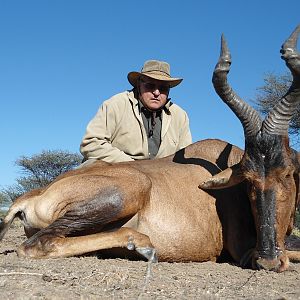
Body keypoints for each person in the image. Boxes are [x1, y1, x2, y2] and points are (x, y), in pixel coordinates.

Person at [80, 60, 192, 164]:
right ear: (139, 85)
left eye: (163, 88)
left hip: (161, 178)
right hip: (116, 170)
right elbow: (91, 143)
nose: (156, 92)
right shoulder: (116, 104)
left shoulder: (180, 116)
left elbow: (186, 157)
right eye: (150, 86)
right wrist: (133, 168)